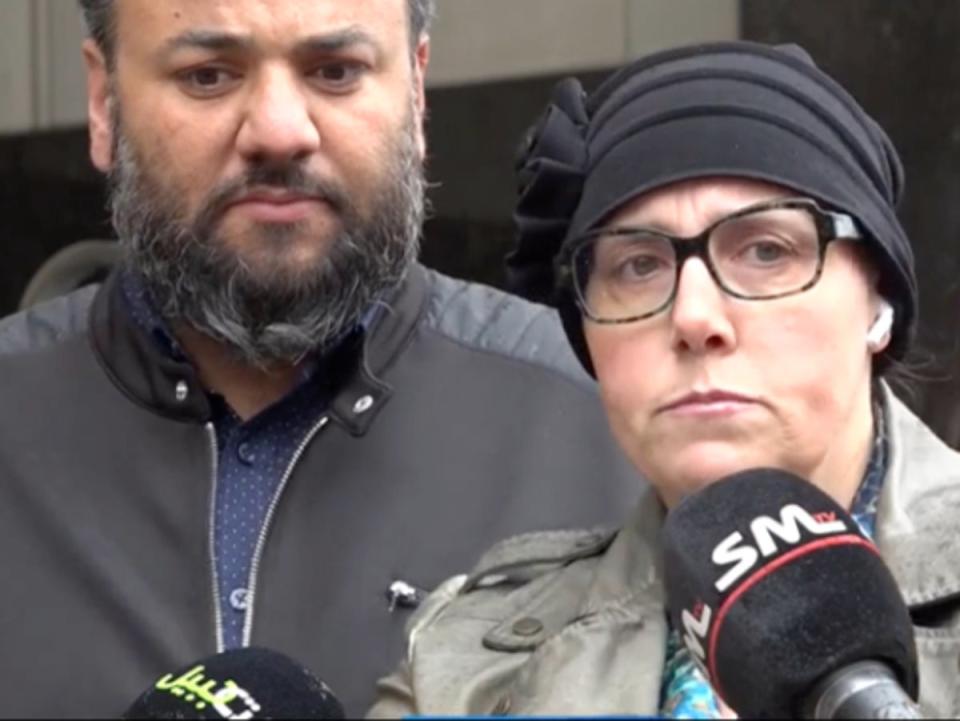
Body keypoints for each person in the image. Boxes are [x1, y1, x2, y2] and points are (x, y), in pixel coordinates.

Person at [0, 1, 640, 716]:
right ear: (103, 102)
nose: (279, 131)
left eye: (336, 72)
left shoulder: (613, 427)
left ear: (417, 92)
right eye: (208, 75)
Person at [368, 41, 960, 718]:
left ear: (879, 300)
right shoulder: (465, 661)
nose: (694, 316)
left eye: (767, 250)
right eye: (638, 266)